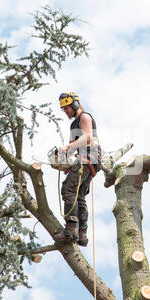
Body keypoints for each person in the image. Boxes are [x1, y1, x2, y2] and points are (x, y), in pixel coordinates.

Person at [53, 92, 102, 246]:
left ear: (74, 105)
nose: (65, 111)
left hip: (89, 155)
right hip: (86, 159)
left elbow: (86, 137)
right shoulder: (73, 125)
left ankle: (71, 229)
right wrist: (66, 161)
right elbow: (73, 147)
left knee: (68, 189)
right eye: (63, 109)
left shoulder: (85, 117)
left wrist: (66, 147)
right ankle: (82, 234)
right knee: (79, 195)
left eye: (66, 107)